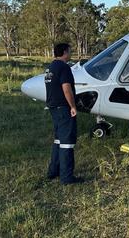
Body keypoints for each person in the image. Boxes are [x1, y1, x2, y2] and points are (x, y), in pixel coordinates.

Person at [45, 43, 83, 185]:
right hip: (63, 108)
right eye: (70, 51)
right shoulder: (64, 67)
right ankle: (67, 177)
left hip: (53, 107)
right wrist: (72, 106)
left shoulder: (50, 67)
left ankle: (53, 171)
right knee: (67, 142)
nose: (71, 53)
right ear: (65, 52)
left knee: (58, 140)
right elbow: (66, 88)